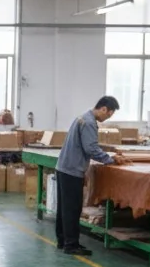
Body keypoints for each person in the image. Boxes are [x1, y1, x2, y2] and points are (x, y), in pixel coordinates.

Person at [55, 95, 129, 256]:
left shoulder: (82, 117)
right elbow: (91, 149)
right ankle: (71, 245)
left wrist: (108, 154)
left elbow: (89, 145)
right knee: (73, 209)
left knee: (64, 208)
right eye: (109, 114)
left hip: (64, 168)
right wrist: (110, 160)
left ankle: (62, 240)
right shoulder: (89, 123)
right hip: (72, 170)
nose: (108, 117)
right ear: (103, 109)